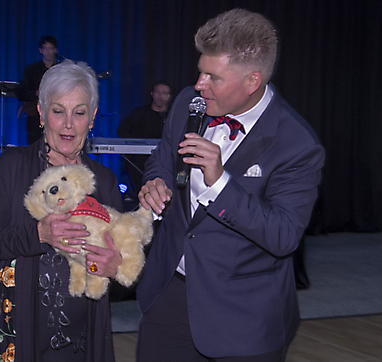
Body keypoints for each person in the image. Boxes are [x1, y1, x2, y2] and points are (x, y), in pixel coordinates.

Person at [136, 8, 325, 362]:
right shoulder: (187, 104)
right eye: (200, 71)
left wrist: (220, 182)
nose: (199, 84)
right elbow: (161, 158)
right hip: (168, 298)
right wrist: (156, 181)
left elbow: (283, 235)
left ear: (253, 81)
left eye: (213, 77)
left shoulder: (297, 144)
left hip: (243, 320)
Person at [0, 60, 125, 362]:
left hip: (81, 343)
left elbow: (118, 264)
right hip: (15, 334)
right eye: (58, 111)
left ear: (93, 117)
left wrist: (114, 267)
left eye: (80, 112)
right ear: (41, 112)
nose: (68, 124)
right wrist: (37, 234)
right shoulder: (13, 167)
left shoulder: (105, 182)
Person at [117, 80, 172, 194]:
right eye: (157, 92)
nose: (160, 96)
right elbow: (123, 130)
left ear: (170, 96)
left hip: (166, 162)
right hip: (139, 162)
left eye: (164, 93)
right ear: (152, 94)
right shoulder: (139, 113)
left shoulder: (173, 116)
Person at [18, 35, 60, 144]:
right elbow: (21, 92)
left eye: (50, 48)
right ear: (40, 50)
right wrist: (36, 93)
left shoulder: (61, 70)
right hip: (35, 118)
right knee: (34, 149)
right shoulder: (32, 70)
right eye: (45, 48)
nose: (48, 52)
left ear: (55, 50)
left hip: (57, 117)